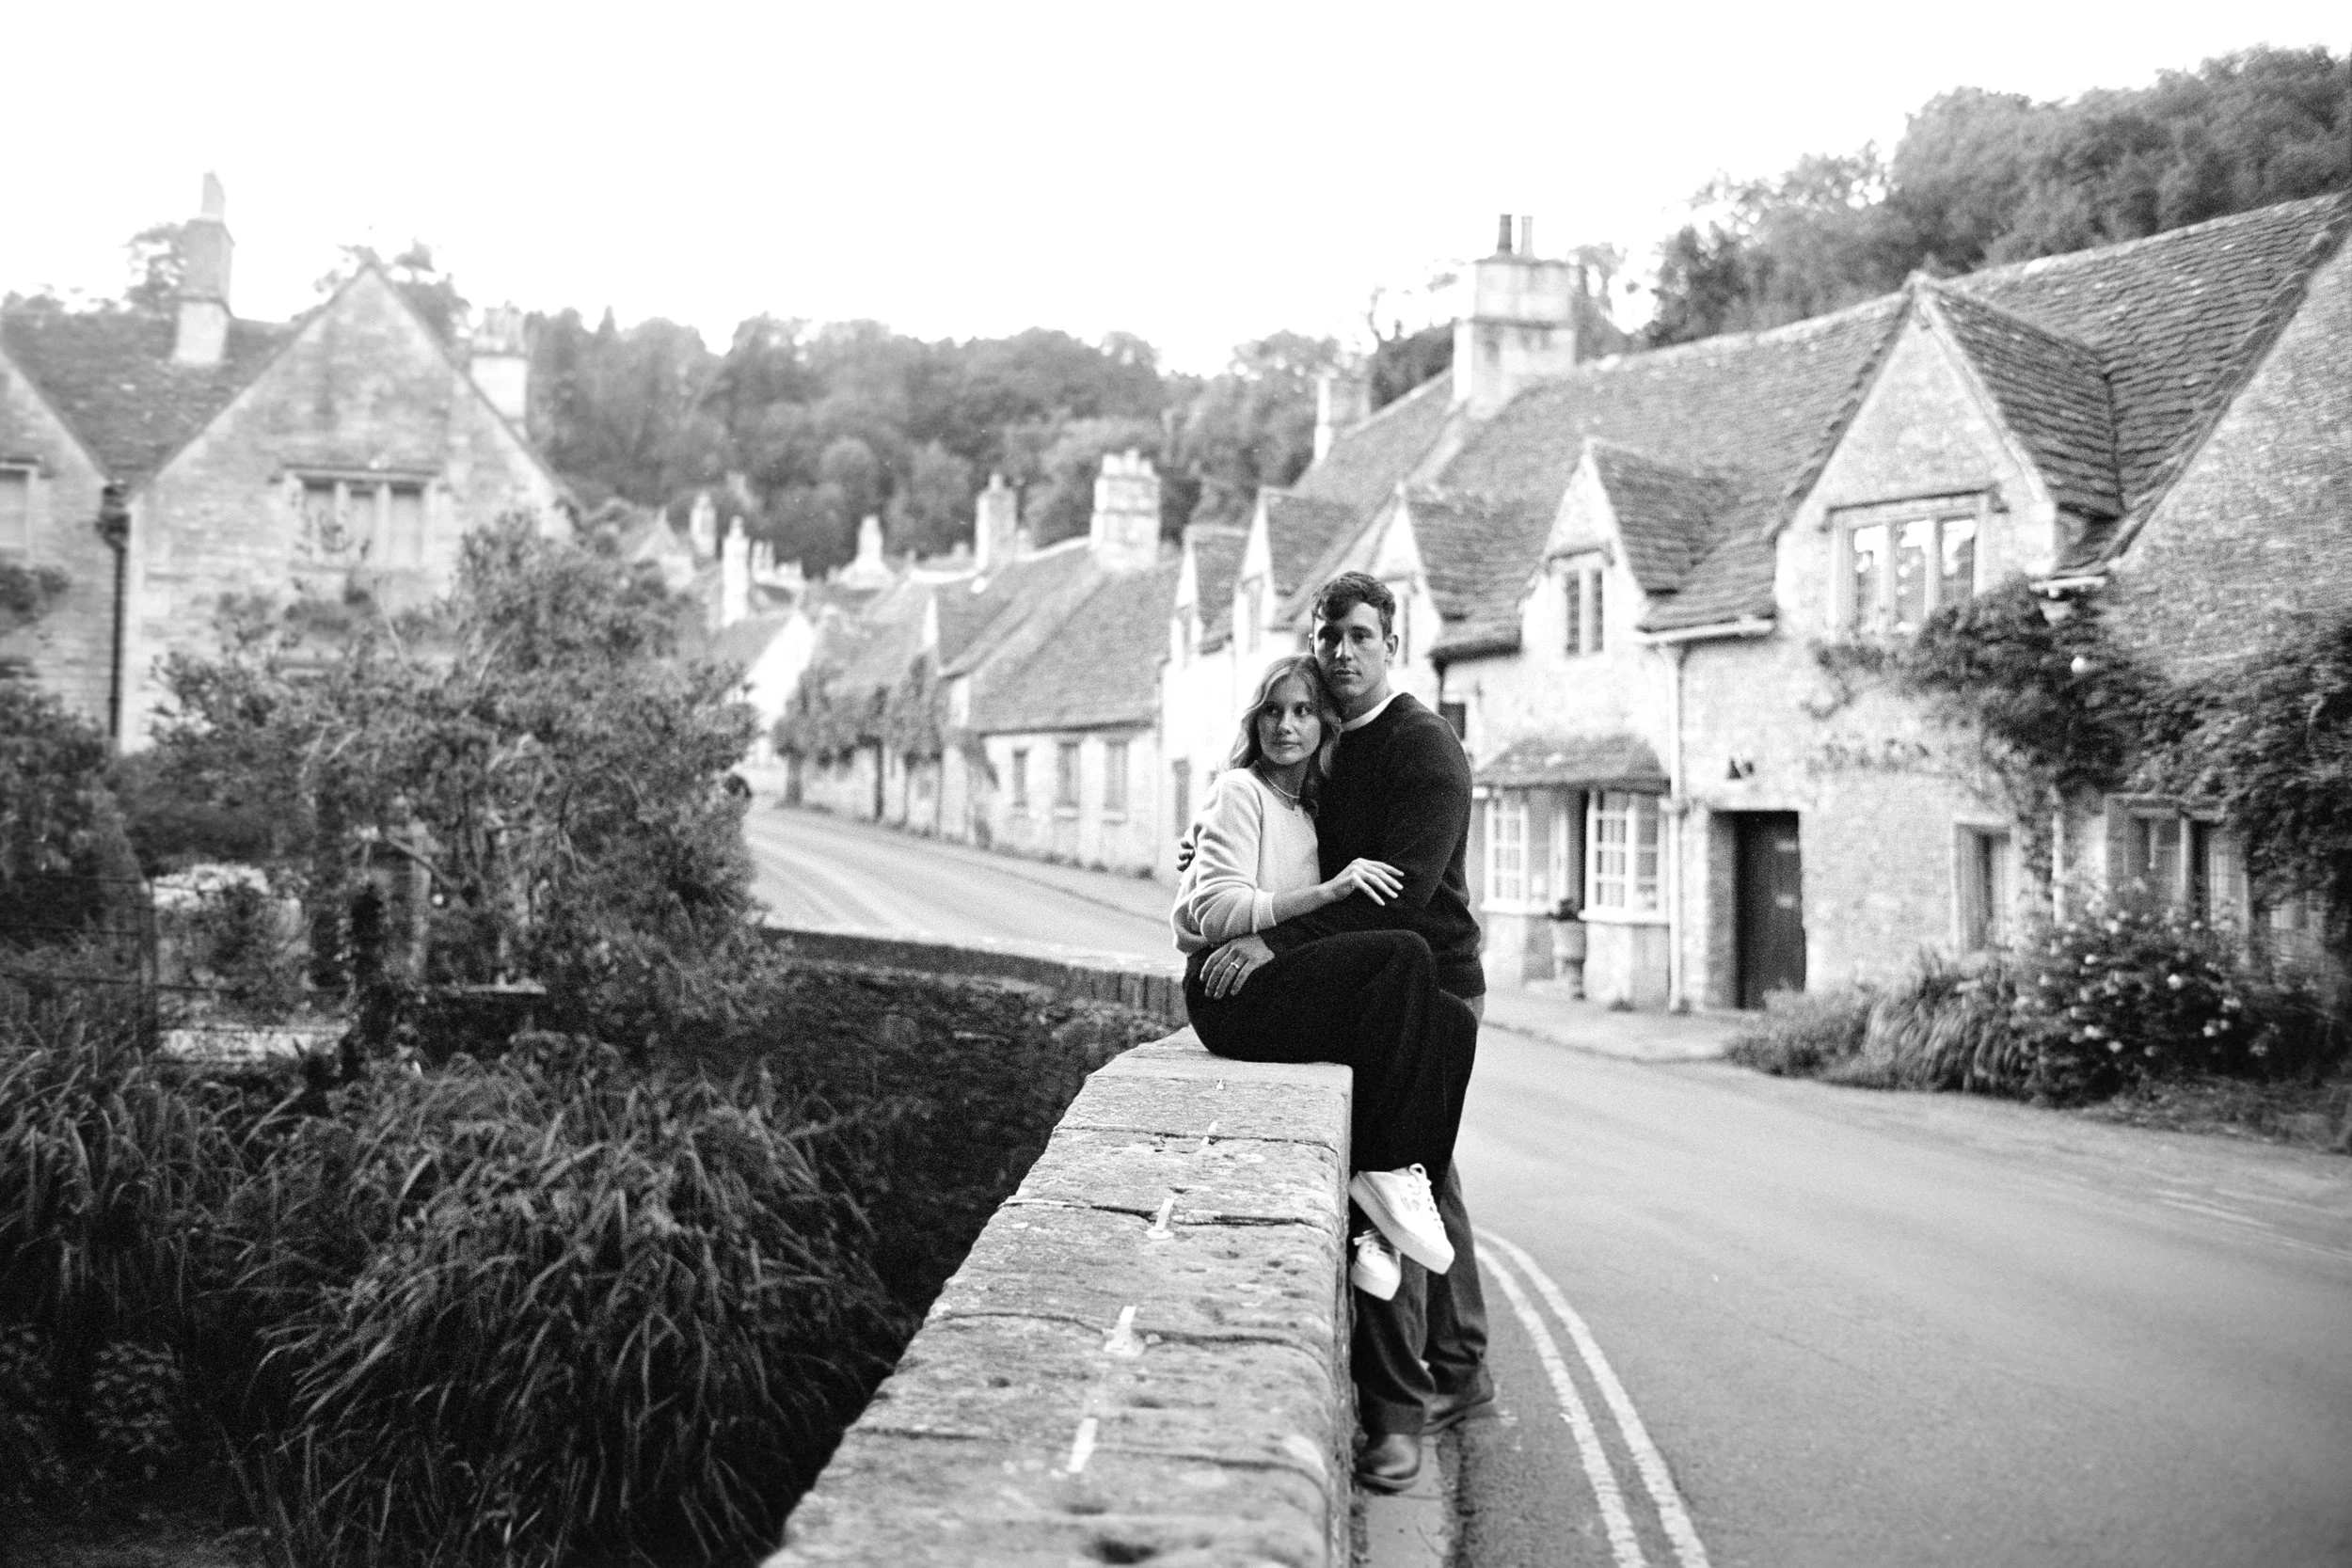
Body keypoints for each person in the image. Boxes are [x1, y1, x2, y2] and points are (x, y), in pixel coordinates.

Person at [1196, 573, 1491, 1491]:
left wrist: (1273, 938)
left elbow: (1397, 892)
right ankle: (1464, 1362)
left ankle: (1400, 1413)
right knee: (1424, 1169)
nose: (1343, 653)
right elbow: (1268, 835)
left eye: (1360, 635)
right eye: (1329, 636)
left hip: (1430, 986)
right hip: (1367, 984)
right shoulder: (1325, 746)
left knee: (1393, 1171)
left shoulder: (1424, 746)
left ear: (1391, 640)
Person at [1173, 656, 1479, 1307]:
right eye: (1274, 710)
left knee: (1451, 1021)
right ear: (1255, 720)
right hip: (1228, 993)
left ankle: (1380, 1218)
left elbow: (1197, 899)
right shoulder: (1239, 791)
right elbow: (1212, 914)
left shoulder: (1309, 809)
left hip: (1270, 982)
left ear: (1324, 727)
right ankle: (1389, 1184)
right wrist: (1325, 893)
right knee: (1405, 955)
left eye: (1304, 711)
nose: (1287, 725)